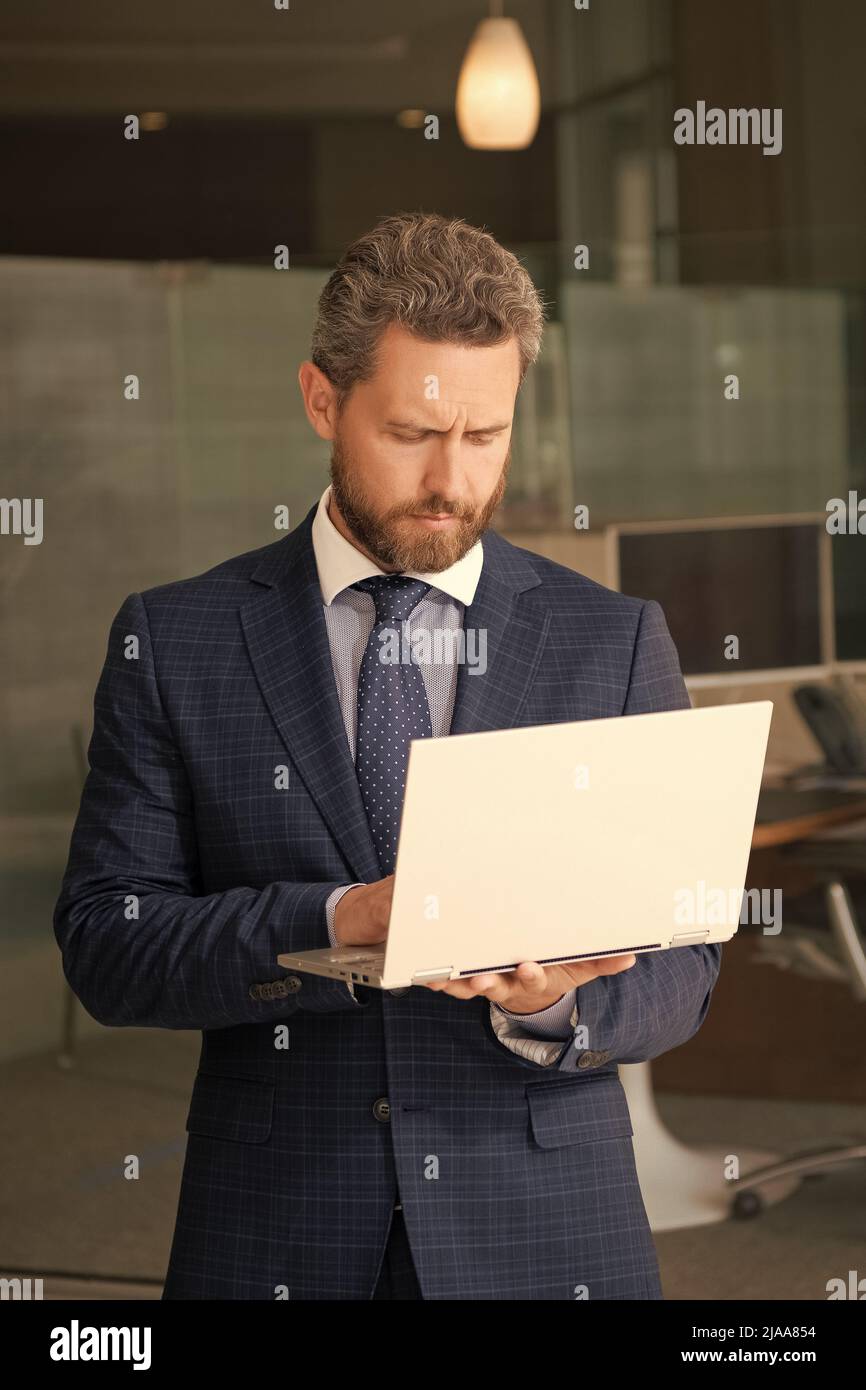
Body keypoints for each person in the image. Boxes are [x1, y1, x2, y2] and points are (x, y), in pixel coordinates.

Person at [54, 211, 721, 1300]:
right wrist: (335, 919)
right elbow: (106, 946)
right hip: (276, 1224)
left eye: (485, 435)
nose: (450, 480)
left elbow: (684, 973)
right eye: (411, 433)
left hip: (544, 1233)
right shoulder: (175, 639)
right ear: (322, 399)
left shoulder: (611, 639)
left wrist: (548, 999)